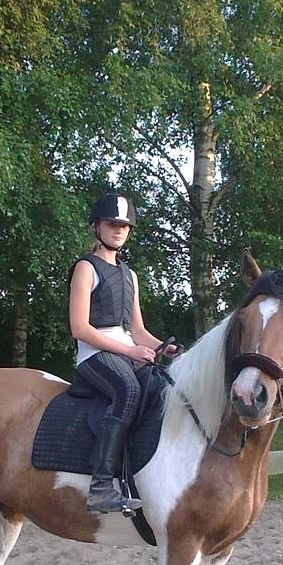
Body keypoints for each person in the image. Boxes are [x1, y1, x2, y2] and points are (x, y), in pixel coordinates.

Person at [69, 193, 178, 514]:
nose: (119, 230)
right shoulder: (86, 268)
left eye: (124, 226)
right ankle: (101, 486)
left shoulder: (130, 276)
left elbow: (137, 329)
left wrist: (163, 347)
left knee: (163, 390)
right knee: (128, 390)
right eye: (112, 224)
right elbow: (80, 328)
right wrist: (130, 350)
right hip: (93, 354)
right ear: (96, 227)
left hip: (125, 351)